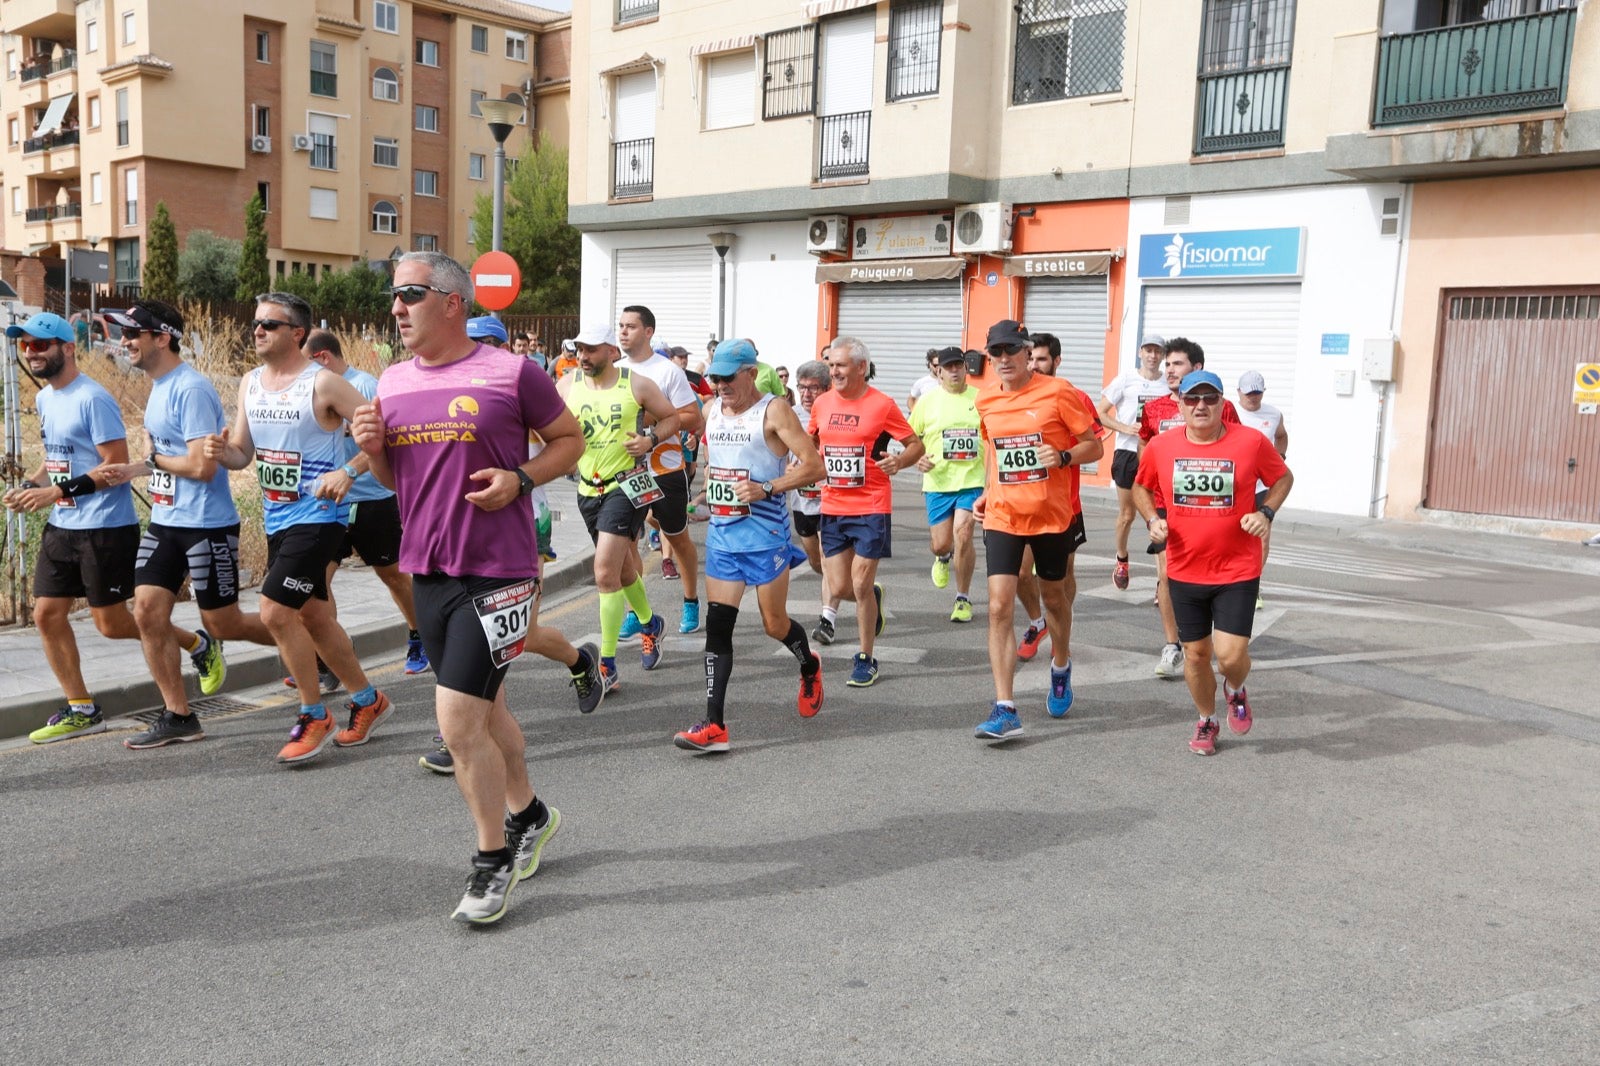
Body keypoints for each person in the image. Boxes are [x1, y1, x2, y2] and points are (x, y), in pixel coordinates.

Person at [352, 251, 587, 923]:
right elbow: (399, 481)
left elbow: (568, 440)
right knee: (488, 713)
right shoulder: (393, 381)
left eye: (411, 294)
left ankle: (492, 860)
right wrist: (375, 449)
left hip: (500, 569)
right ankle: (531, 815)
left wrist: (521, 478)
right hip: (428, 568)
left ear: (452, 301)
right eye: (395, 295)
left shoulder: (512, 372)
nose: (397, 307)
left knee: (457, 723)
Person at [203, 291, 392, 765]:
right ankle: (368, 700)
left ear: (297, 333)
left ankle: (313, 713)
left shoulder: (323, 384)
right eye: (256, 323)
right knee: (315, 618)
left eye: (269, 324)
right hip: (277, 518)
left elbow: (386, 435)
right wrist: (222, 453)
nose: (258, 330)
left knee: (273, 612)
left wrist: (348, 470)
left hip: (320, 517)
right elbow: (243, 453)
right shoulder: (251, 383)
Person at [1, 312, 203, 744]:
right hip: (62, 524)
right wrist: (32, 485)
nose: (32, 353)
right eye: (26, 346)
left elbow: (114, 465)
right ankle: (82, 709)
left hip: (105, 527)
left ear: (68, 348)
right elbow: (58, 457)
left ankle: (196, 643)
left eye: (40, 345)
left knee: (110, 624)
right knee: (45, 614)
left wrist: (55, 492)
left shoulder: (93, 398)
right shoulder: (45, 398)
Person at [95, 301, 281, 748]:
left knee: (223, 624)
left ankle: (311, 644)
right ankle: (178, 715)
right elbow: (166, 456)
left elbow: (201, 467)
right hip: (165, 522)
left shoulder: (191, 389)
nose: (125, 342)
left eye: (133, 333)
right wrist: (136, 469)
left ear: (162, 337)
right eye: (123, 334)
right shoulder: (158, 386)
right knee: (147, 612)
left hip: (206, 526)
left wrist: (156, 459)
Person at [672, 339, 826, 753]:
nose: (720, 385)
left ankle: (809, 665)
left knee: (774, 625)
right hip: (724, 538)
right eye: (715, 378)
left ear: (750, 373)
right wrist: (705, 495)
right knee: (718, 626)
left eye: (727, 378)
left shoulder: (774, 411)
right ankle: (714, 725)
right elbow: (716, 463)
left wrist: (768, 487)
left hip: (765, 538)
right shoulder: (711, 411)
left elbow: (815, 466)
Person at [1134, 370, 1292, 756]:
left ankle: (1235, 688)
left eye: (1209, 398)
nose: (1201, 405)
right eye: (1192, 398)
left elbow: (1283, 478)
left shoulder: (1250, 442)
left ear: (1223, 403)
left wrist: (1266, 512)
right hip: (1185, 567)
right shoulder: (1161, 446)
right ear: (1181, 404)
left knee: (1231, 656)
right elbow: (1140, 486)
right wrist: (1153, 520)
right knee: (1197, 654)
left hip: (1237, 567)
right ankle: (1207, 719)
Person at [970, 320, 1102, 741]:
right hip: (1003, 516)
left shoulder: (1058, 392)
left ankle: (1060, 665)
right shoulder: (985, 398)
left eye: (1011, 350)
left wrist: (1062, 456)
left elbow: (1094, 446)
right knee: (997, 607)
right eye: (996, 352)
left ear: (1028, 353)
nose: (1003, 358)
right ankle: (1005, 707)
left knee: (1055, 599)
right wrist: (987, 491)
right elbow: (993, 450)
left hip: (1051, 516)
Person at [558, 323, 682, 692]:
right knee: (624, 569)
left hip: (625, 486)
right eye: (580, 349)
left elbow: (674, 418)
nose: (583, 356)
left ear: (612, 351)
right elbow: (546, 429)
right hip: (586, 488)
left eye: (592, 349)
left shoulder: (636, 384)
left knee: (603, 574)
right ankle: (650, 624)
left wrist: (649, 439)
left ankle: (607, 664)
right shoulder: (566, 386)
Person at [303, 329, 428, 676]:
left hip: (372, 500)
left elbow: (384, 441)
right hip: (329, 504)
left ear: (323, 358)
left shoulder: (366, 388)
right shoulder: (310, 391)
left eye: (304, 361)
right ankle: (328, 655)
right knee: (317, 580)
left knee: (394, 577)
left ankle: (420, 635)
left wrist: (349, 471)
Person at [807, 335, 924, 687]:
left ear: (861, 367)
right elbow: (812, 440)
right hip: (832, 505)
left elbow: (915, 445)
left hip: (871, 504)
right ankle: (872, 598)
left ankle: (865, 658)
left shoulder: (882, 405)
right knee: (840, 586)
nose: (834, 372)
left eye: (840, 365)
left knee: (859, 583)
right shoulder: (822, 404)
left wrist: (899, 462)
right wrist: (805, 462)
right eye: (830, 365)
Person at [1139, 337, 1241, 680]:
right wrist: (1149, 498)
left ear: (1196, 367)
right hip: (1166, 506)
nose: (1169, 370)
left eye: (1177, 364)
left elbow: (1238, 448)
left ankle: (1214, 636)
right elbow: (1145, 446)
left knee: (1211, 577)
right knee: (1166, 575)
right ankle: (1173, 645)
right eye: (1167, 364)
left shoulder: (1221, 406)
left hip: (1214, 509)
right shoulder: (1153, 408)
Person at [616, 306, 705, 635]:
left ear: (648, 332)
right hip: (628, 471)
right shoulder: (615, 370)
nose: (623, 332)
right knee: (628, 544)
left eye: (631, 326)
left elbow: (693, 418)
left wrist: (651, 419)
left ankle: (691, 599)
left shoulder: (668, 372)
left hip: (664, 469)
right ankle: (637, 611)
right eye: (620, 326)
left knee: (677, 539)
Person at [908, 346, 983, 623]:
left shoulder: (981, 399)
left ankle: (962, 598)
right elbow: (911, 439)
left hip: (971, 479)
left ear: (965, 368)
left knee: (963, 533)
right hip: (938, 481)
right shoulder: (927, 402)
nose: (954, 371)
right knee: (941, 544)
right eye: (948, 367)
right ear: (938, 372)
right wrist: (917, 459)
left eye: (958, 366)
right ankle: (942, 557)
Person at [1099, 334, 1171, 591]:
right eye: (1148, 350)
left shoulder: (1168, 383)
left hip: (1159, 456)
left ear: (1163, 355)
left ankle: (1163, 582)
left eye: (1157, 351)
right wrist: (1124, 428)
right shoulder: (1126, 378)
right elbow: (1099, 412)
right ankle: (1121, 559)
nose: (1152, 355)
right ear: (1140, 352)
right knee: (1127, 515)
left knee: (1162, 518)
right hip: (1128, 453)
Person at [1235, 369, 1290, 597]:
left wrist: (1280, 457)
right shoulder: (1229, 411)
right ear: (1239, 392)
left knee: (1262, 537)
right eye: (1248, 393)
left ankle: (1253, 585)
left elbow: (1281, 435)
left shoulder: (1274, 414)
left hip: (1261, 487)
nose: (1253, 397)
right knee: (1234, 536)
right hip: (1235, 485)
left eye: (1257, 393)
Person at [788, 361, 832, 608]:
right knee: (816, 563)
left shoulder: (834, 413)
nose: (806, 394)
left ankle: (828, 617)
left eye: (813, 388)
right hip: (802, 500)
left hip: (831, 499)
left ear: (826, 388)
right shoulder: (790, 415)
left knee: (827, 559)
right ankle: (862, 592)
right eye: (802, 387)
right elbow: (777, 453)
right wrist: (785, 469)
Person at [906, 349, 940, 413]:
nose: (938, 368)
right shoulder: (922, 382)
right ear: (929, 364)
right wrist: (914, 413)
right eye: (936, 365)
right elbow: (911, 398)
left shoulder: (948, 381)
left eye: (941, 365)